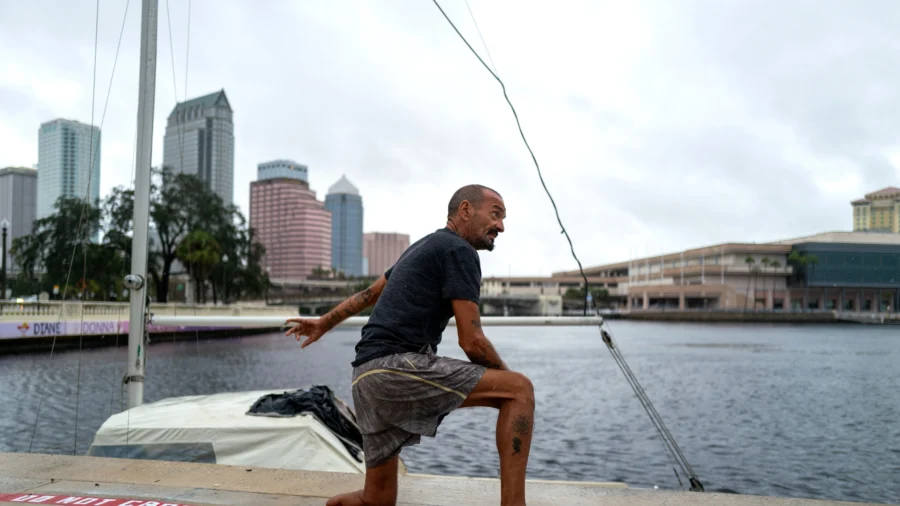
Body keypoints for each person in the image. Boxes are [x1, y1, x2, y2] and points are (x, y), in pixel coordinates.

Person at [285, 184, 535, 506]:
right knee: (520, 391)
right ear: (466, 210)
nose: (501, 226)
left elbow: (370, 294)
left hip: (364, 377)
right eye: (496, 214)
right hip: (394, 368)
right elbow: (471, 341)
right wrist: (508, 383)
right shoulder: (459, 251)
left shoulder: (423, 246)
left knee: (375, 499)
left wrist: (324, 322)